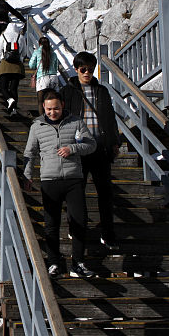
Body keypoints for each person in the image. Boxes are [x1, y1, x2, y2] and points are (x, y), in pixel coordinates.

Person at [20, 88, 97, 277]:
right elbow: (30, 153)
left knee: (78, 220)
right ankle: (53, 262)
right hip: (49, 180)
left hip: (73, 179)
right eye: (48, 109)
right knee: (51, 223)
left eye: (55, 108)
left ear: (62, 105)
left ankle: (78, 263)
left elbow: (91, 145)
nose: (52, 112)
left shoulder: (76, 122)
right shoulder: (37, 126)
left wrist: (72, 148)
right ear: (43, 109)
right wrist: (27, 175)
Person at [61, 52, 120, 250]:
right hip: (78, 149)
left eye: (90, 69)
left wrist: (114, 142)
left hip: (100, 147)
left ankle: (108, 233)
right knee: (76, 192)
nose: (87, 73)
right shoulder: (67, 92)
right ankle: (76, 229)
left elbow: (110, 118)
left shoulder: (101, 91)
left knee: (105, 192)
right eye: (83, 69)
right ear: (76, 69)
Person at [0, 21, 26, 116]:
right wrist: (20, 59)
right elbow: (24, 52)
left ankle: (9, 99)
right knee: (14, 88)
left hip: (5, 64)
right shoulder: (20, 37)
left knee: (3, 86)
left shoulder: (3, 36)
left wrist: (2, 58)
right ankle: (14, 110)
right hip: (17, 66)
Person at [29, 36, 62, 107]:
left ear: (39, 44)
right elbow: (56, 67)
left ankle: (42, 117)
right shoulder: (53, 53)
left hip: (42, 79)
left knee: (41, 102)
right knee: (54, 101)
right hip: (53, 78)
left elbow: (31, 65)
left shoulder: (37, 52)